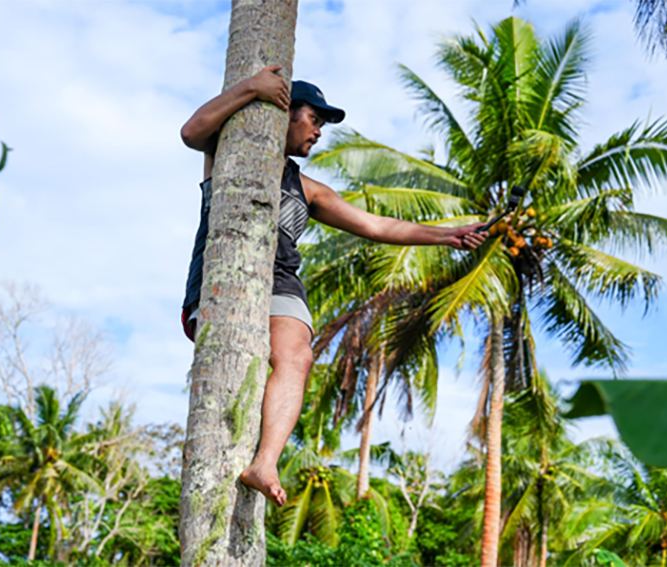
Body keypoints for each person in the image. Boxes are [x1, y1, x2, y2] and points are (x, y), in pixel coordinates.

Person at [180, 66, 487, 507]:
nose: (319, 133)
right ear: (286, 110)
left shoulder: (310, 190)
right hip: (221, 278)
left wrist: (449, 235)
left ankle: (264, 462)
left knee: (299, 357)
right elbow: (192, 132)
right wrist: (253, 88)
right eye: (314, 120)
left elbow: (377, 225)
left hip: (282, 283)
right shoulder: (231, 149)